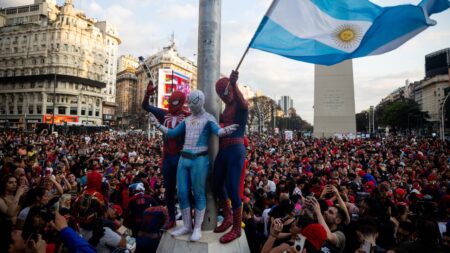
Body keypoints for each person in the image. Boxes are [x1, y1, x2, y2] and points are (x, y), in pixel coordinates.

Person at [149, 89, 238, 241]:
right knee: (182, 193)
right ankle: (186, 226)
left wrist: (225, 131)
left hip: (200, 159)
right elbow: (171, 133)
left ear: (201, 101)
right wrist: (157, 125)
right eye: (188, 101)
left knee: (198, 193)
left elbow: (217, 131)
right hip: (184, 159)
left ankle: (197, 227)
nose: (189, 104)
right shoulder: (187, 119)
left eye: (192, 101)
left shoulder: (208, 118)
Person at [142, 81, 189, 228]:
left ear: (181, 102)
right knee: (169, 189)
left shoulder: (188, 115)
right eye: (171, 101)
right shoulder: (164, 113)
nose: (172, 104)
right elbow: (146, 106)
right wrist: (148, 94)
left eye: (175, 101)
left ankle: (189, 219)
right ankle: (172, 218)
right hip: (168, 156)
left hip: (181, 156)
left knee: (184, 190)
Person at [213, 70, 249, 243]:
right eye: (220, 93)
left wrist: (234, 83)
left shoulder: (239, 105)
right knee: (217, 184)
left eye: (224, 90)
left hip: (235, 148)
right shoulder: (226, 107)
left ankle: (236, 227)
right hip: (223, 150)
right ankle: (228, 217)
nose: (223, 95)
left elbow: (244, 104)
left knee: (233, 189)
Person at [0, 175, 27, 252]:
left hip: (20, 232)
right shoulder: (1, 198)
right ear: (4, 184)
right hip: (5, 233)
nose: (14, 184)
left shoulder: (20, 197)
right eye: (10, 182)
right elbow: (10, 213)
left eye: (15, 182)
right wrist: (18, 195)